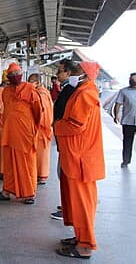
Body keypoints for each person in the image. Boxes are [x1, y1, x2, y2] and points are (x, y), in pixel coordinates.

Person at [54, 61, 105, 259]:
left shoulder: (85, 93)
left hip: (80, 157)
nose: (69, 73)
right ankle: (79, 236)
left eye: (73, 70)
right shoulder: (83, 90)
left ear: (82, 74)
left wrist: (57, 126)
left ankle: (85, 246)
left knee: (82, 203)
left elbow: (76, 125)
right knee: (76, 201)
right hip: (75, 153)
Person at [0, 63, 42, 205]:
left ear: (21, 74)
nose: (14, 77)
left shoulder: (30, 89)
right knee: (9, 162)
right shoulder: (5, 91)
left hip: (25, 133)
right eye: (11, 75)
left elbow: (38, 112)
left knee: (26, 162)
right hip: (9, 132)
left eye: (16, 74)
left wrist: (32, 128)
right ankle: (7, 190)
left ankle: (29, 192)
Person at [50, 59, 77, 221]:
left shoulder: (72, 90)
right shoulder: (68, 89)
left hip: (68, 139)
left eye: (59, 71)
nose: (57, 74)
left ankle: (69, 208)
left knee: (65, 173)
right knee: (62, 172)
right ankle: (66, 204)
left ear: (68, 73)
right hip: (63, 138)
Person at [28, 73, 53, 185]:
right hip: (42, 128)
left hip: (41, 128)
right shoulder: (43, 92)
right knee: (40, 153)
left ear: (37, 82)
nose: (29, 84)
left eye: (31, 81)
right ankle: (40, 174)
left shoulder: (41, 94)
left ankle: (40, 175)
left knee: (40, 154)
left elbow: (42, 111)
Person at [114, 72, 136, 168]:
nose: (133, 81)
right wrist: (116, 115)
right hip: (128, 121)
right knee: (127, 142)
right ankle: (126, 161)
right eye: (132, 79)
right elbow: (118, 104)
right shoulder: (123, 91)